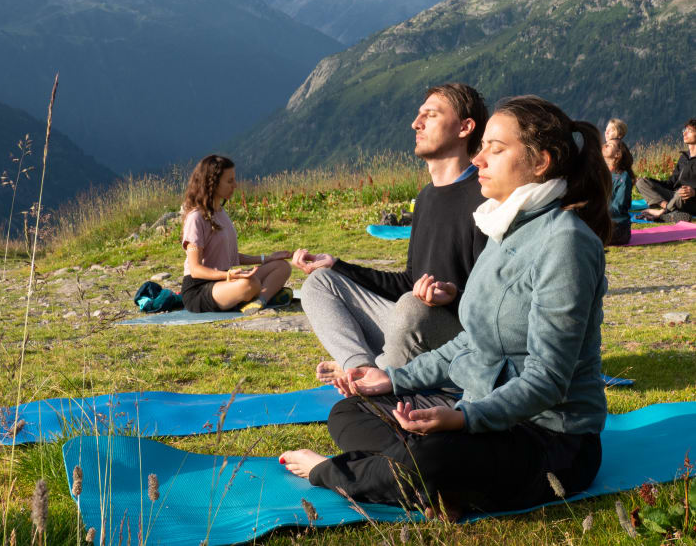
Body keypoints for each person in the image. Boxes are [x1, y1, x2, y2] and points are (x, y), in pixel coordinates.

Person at [280, 95, 611, 521]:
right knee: (350, 411)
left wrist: (464, 420)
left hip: (550, 438)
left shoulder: (565, 242)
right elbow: (471, 341)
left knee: (431, 458)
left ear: (541, 162)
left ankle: (342, 471)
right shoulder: (502, 227)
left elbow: (548, 380)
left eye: (496, 148)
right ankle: (432, 476)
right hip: (479, 409)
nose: (480, 159)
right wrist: (392, 380)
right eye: (482, 147)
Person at [293, 83, 488, 382]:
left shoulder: (485, 197)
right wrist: (338, 266)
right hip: (410, 325)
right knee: (320, 283)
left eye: (430, 115)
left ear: (465, 127)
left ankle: (381, 373)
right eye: (418, 115)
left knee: (412, 307)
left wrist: (451, 298)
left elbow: (495, 304)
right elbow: (408, 282)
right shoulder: (425, 198)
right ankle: (360, 367)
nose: (416, 123)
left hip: (460, 341)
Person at [181, 155, 292, 313]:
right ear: (212, 183)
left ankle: (260, 300)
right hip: (200, 288)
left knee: (282, 266)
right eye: (229, 181)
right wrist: (229, 276)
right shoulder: (196, 217)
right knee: (249, 283)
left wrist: (268, 258)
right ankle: (261, 294)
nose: (235, 185)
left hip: (227, 279)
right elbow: (196, 270)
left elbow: (231, 256)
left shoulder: (220, 212)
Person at [636, 119, 696, 222]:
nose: (684, 133)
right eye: (684, 130)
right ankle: (668, 210)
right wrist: (650, 181)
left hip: (691, 200)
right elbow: (670, 183)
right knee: (641, 182)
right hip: (674, 196)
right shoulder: (684, 157)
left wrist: (694, 192)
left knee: (680, 193)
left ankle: (661, 214)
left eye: (689, 130)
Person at [602, 139, 634, 245]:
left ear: (617, 154)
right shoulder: (602, 173)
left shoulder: (623, 178)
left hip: (618, 228)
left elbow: (618, 207)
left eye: (609, 145)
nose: (605, 146)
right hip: (604, 222)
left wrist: (595, 211)